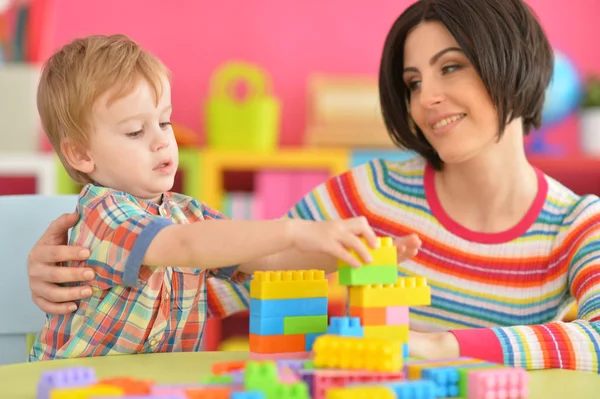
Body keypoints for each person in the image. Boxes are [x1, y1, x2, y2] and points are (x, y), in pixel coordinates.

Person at [28, 0, 600, 372]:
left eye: (451, 67)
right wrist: (67, 265)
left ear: (513, 63)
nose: (426, 98)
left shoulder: (580, 224)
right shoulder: (368, 197)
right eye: (411, 80)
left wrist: (444, 345)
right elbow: (245, 271)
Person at [27, 33, 423, 361]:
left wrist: (353, 254)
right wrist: (293, 229)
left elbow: (266, 259)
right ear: (81, 154)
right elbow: (184, 246)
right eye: (135, 131)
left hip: (149, 385)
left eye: (164, 121)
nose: (162, 140)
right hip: (69, 385)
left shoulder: (185, 211)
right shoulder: (103, 212)